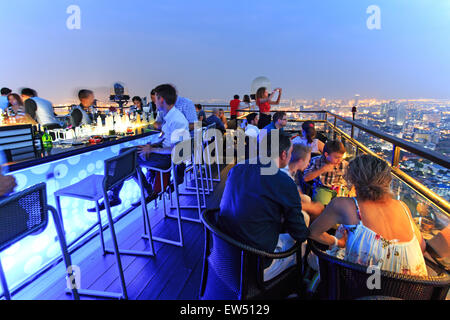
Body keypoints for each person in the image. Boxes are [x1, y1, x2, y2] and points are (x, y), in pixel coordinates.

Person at [309, 155, 428, 277]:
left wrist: (338, 242)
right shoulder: (403, 206)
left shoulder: (343, 204)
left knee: (312, 259)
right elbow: (421, 246)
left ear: (353, 179)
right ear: (387, 181)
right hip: (411, 290)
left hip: (364, 289)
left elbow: (313, 232)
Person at [218, 132, 309, 281]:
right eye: (291, 152)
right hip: (256, 264)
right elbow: (299, 233)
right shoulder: (284, 182)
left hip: (225, 254)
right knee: (301, 244)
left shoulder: (237, 169)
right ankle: (298, 283)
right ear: (284, 154)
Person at [88, 84, 189, 212]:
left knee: (128, 160)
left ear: (161, 99)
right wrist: (151, 145)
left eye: (156, 99)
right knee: (123, 152)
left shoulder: (177, 120)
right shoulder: (170, 116)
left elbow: (175, 150)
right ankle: (125, 194)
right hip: (163, 153)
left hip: (168, 159)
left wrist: (152, 150)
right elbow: (167, 139)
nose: (154, 102)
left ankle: (133, 193)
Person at [281, 144, 324, 223]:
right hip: (275, 209)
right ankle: (300, 234)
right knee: (305, 216)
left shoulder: (292, 170)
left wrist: (310, 205)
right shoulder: (285, 176)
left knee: (306, 198)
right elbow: (288, 203)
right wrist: (311, 207)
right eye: (308, 161)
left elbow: (295, 191)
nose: (308, 164)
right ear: (300, 161)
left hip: (283, 202)